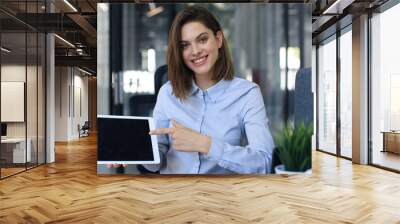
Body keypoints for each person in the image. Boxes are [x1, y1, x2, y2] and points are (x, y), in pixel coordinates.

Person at [111, 6, 275, 174]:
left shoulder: (247, 93)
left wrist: (204, 144)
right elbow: (157, 160)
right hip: (173, 195)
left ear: (218, 40)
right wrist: (135, 152)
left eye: (202, 40)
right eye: (185, 45)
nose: (195, 51)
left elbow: (263, 162)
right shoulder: (168, 93)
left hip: (221, 197)